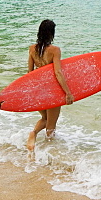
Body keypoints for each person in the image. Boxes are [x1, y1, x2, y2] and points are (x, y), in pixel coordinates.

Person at [26, 19, 73, 154]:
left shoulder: (31, 49)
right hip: (52, 90)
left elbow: (30, 72)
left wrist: (32, 91)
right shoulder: (55, 50)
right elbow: (58, 72)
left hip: (38, 90)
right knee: (51, 126)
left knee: (45, 119)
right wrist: (68, 93)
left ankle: (33, 133)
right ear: (52, 33)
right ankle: (48, 153)